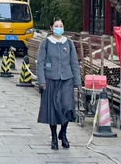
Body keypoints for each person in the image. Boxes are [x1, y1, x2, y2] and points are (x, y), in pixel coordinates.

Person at [37, 18, 80, 150]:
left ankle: (64, 133)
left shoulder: (69, 43)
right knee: (53, 110)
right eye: (56, 26)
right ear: (51, 28)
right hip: (51, 80)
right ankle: (54, 137)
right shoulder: (46, 43)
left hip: (67, 80)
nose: (59, 28)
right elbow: (40, 63)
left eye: (61, 26)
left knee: (67, 107)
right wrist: (42, 81)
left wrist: (78, 82)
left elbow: (74, 63)